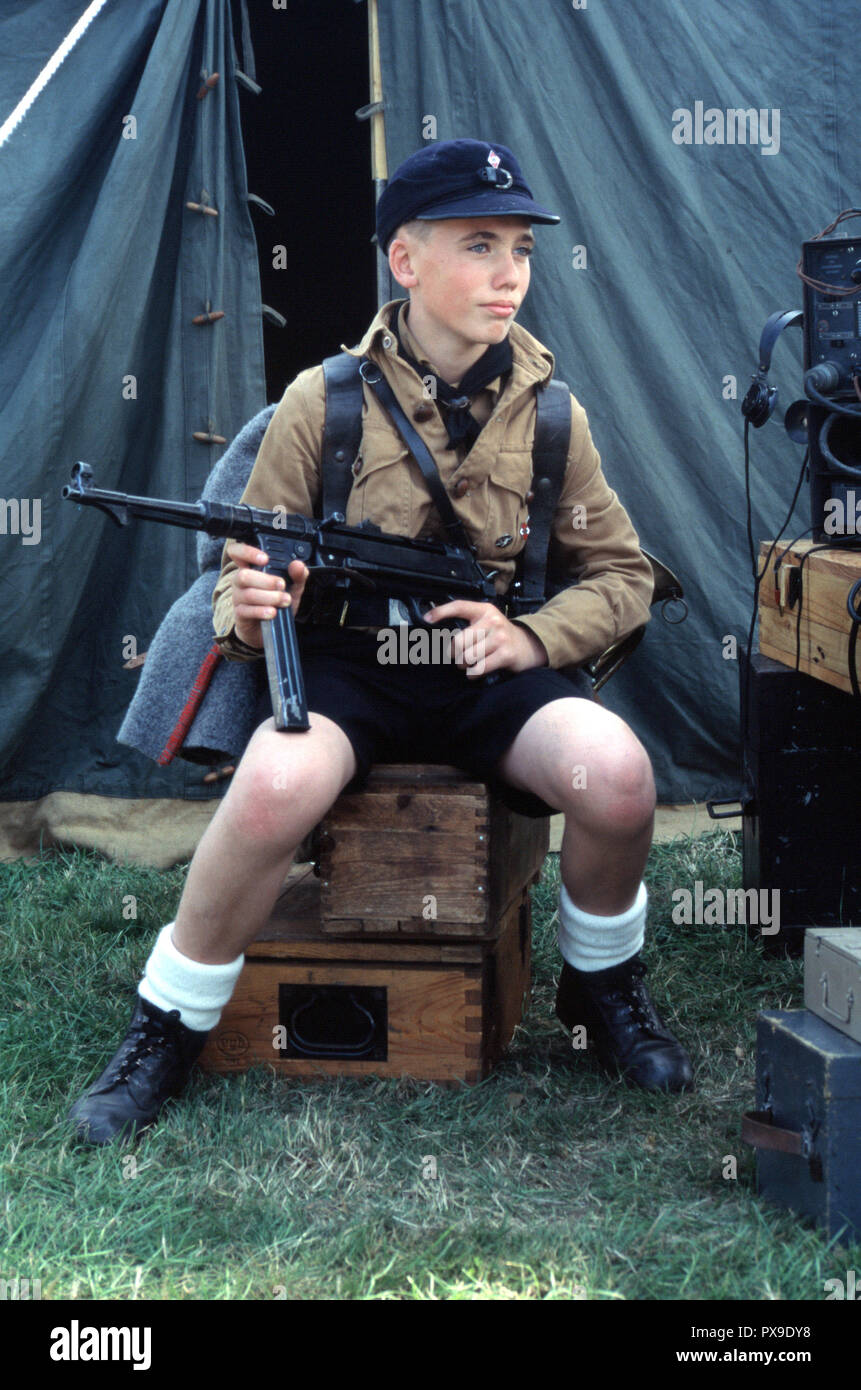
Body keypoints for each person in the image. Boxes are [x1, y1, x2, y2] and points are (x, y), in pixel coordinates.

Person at [68, 139, 693, 1147]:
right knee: (270, 790)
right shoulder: (326, 402)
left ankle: (603, 986)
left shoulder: (554, 418)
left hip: (483, 665)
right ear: (405, 262)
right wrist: (262, 595)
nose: (509, 274)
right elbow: (241, 569)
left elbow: (623, 575)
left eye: (523, 251)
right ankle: (166, 1025)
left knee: (618, 774)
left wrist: (529, 636)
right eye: (479, 245)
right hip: (350, 664)